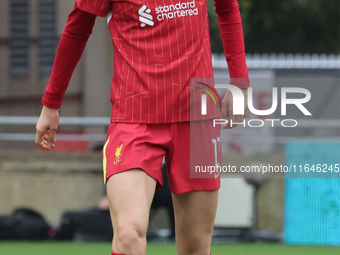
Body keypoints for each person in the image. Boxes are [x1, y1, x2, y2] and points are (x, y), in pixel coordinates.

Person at [35, 0, 249, 254]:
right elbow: (77, 29)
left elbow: (227, 8)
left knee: (196, 247)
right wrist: (52, 103)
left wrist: (240, 82)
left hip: (196, 120)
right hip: (133, 120)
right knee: (128, 236)